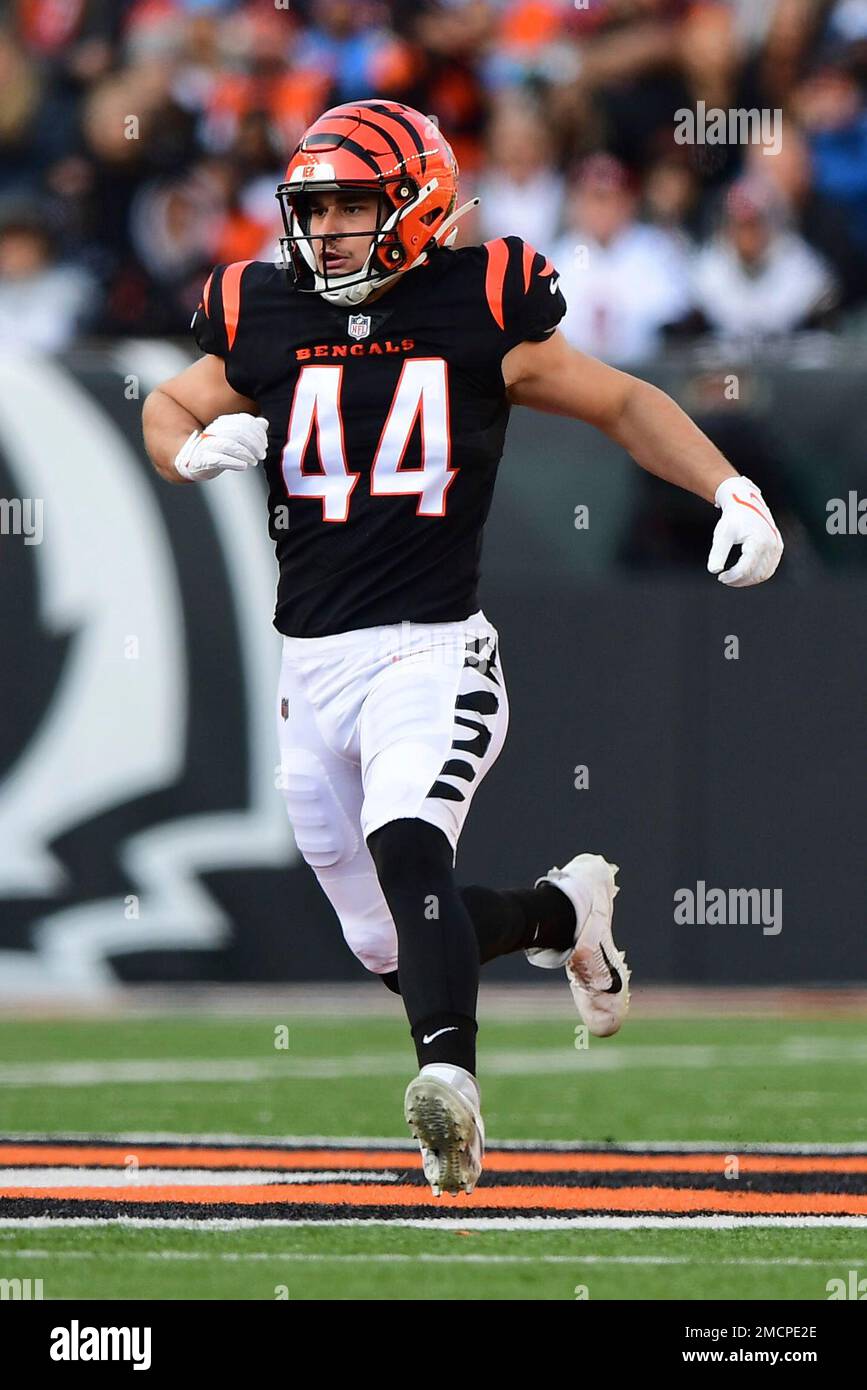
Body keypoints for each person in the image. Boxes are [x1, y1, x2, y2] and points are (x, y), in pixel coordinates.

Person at [142, 99, 783, 1199]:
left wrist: (730, 485)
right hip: (311, 668)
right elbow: (167, 403)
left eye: (353, 203)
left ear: (416, 203)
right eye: (317, 206)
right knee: (389, 945)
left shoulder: (480, 297)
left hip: (433, 655)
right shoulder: (264, 304)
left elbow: (622, 401)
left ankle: (451, 1089)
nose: (329, 228)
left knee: (408, 845)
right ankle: (563, 913)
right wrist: (193, 452)